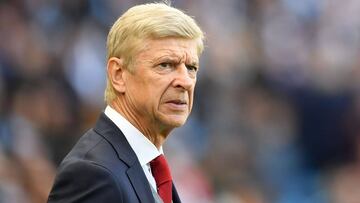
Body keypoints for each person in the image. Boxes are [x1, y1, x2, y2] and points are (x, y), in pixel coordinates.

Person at [47, 2, 204, 203]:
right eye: (165, 64)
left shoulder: (149, 167)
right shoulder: (92, 175)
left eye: (191, 68)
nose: (184, 81)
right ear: (118, 75)